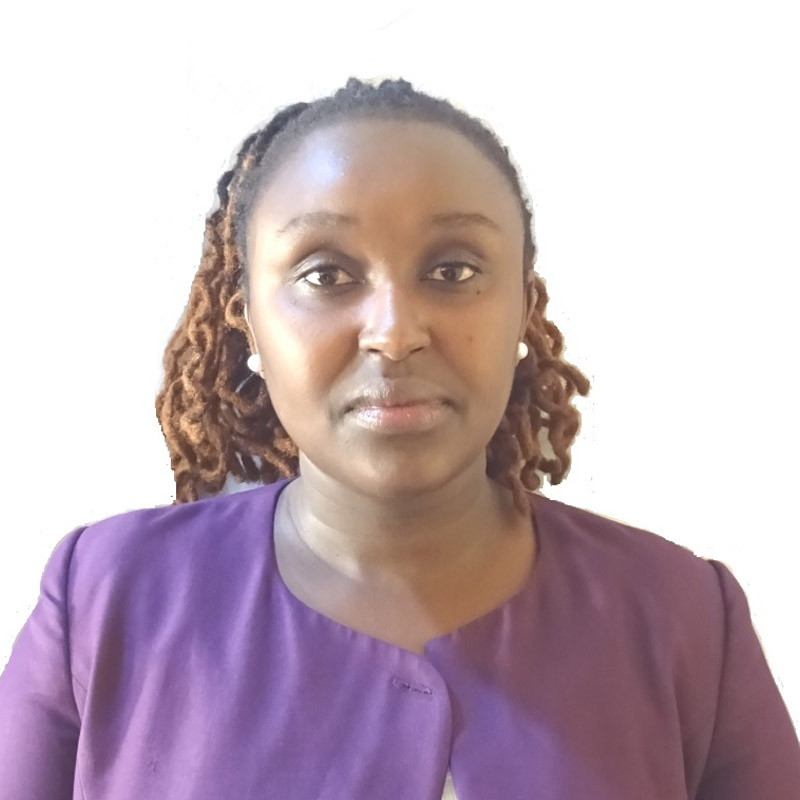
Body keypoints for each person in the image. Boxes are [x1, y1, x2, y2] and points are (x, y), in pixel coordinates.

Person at [1, 77, 798, 800]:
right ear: (244, 314)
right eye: (325, 274)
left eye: (452, 270)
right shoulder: (104, 599)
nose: (394, 332)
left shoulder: (685, 615)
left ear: (524, 303)